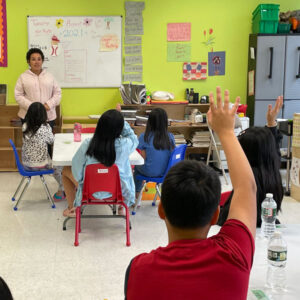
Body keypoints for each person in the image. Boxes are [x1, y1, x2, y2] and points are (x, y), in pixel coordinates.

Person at [124, 87, 257, 300]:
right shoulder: (234, 255)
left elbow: (246, 188)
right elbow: (247, 188)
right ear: (215, 215)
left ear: (161, 210)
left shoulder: (139, 270)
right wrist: (226, 132)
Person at [217, 96, 284, 227]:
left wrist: (225, 132)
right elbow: (271, 151)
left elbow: (225, 219)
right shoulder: (272, 172)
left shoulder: (246, 182)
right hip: (268, 226)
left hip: (239, 229)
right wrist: (271, 124)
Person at [62, 107, 138, 218]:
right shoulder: (124, 145)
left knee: (65, 170)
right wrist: (121, 120)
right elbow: (133, 138)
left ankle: (72, 209)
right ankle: (122, 207)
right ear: (120, 129)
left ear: (99, 125)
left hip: (90, 190)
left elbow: (76, 168)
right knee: (125, 169)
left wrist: (81, 181)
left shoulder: (88, 143)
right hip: (118, 191)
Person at [22, 102, 64, 199]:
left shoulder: (25, 126)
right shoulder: (45, 127)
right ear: (43, 115)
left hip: (26, 164)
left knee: (58, 165)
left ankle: (65, 187)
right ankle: (63, 189)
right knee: (62, 166)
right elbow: (52, 141)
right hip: (40, 165)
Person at [134, 108, 175, 201]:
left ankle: (137, 194)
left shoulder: (144, 137)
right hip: (166, 172)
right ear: (165, 122)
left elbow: (142, 159)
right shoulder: (170, 137)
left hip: (149, 172)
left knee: (136, 167)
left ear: (150, 122)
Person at [14, 48, 61, 129]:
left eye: (39, 59)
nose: (36, 62)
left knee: (47, 141)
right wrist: (32, 107)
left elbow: (58, 93)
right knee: (29, 141)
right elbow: (18, 95)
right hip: (28, 116)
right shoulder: (23, 77)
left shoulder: (49, 76)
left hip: (48, 116)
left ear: (42, 61)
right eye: (33, 59)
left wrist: (48, 105)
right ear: (28, 61)